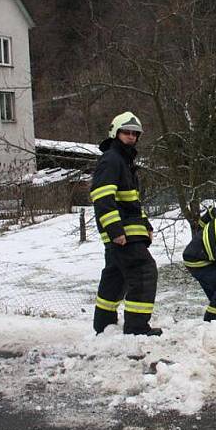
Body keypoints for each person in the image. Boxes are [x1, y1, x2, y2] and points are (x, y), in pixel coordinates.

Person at [90, 112, 161, 336]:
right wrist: (115, 231)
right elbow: (102, 197)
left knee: (115, 276)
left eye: (134, 133)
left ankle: (103, 325)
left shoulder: (123, 161)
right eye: (126, 132)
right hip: (123, 235)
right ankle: (137, 328)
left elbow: (130, 201)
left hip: (127, 232)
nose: (131, 137)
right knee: (144, 272)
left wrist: (146, 225)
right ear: (115, 133)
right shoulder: (112, 160)